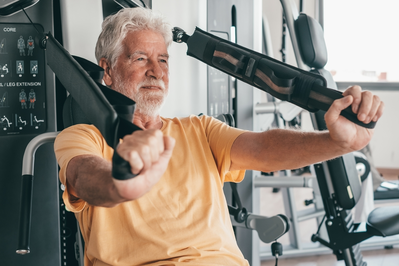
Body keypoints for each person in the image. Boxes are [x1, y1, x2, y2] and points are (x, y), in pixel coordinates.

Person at [54, 7, 384, 266]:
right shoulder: (83, 137)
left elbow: (263, 148)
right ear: (107, 70)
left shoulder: (200, 130)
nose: (156, 70)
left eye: (163, 60)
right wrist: (122, 180)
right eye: (140, 58)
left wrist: (336, 142)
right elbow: (85, 175)